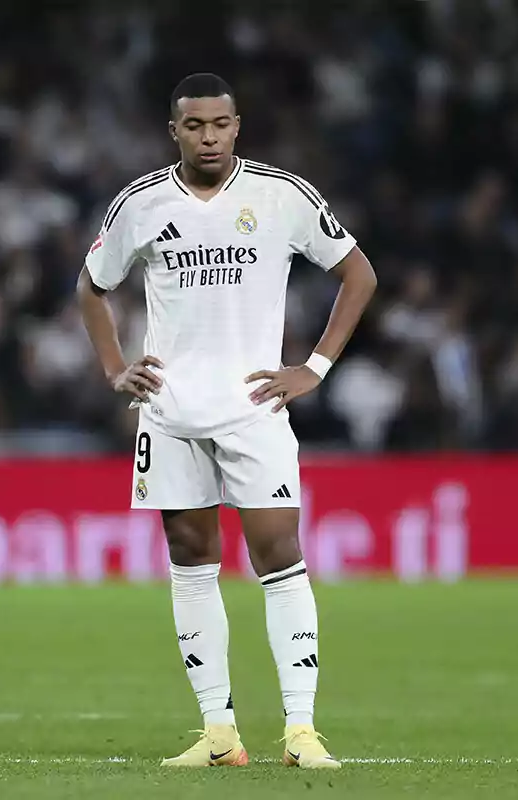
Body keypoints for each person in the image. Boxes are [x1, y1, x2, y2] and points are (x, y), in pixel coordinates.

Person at [76, 73, 377, 769]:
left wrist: (315, 368)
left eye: (220, 124)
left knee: (280, 556)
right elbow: (92, 288)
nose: (208, 137)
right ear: (173, 130)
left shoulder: (282, 195)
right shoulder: (141, 204)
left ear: (237, 126)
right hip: (172, 411)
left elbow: (358, 273)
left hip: (254, 410)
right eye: (194, 126)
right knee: (191, 564)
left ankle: (301, 731)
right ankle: (219, 734)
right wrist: (114, 366)